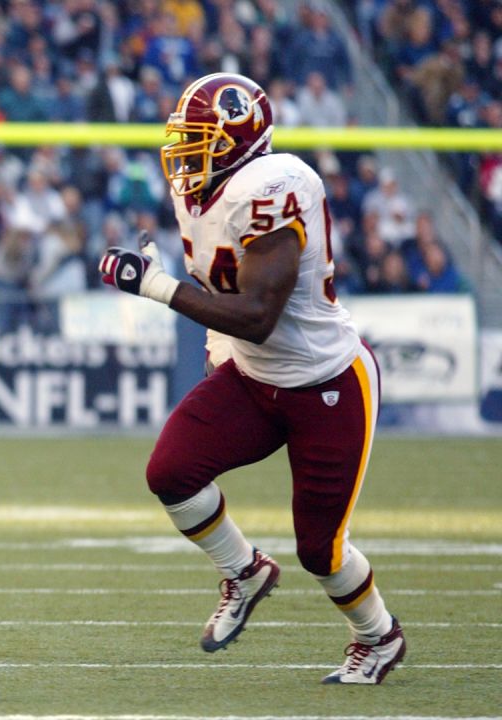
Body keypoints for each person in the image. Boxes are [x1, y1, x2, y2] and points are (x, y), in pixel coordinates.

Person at [97, 73, 405, 685]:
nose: (184, 155)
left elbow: (260, 315)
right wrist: (216, 348)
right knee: (172, 473)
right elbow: (220, 290)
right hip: (252, 377)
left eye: (199, 141)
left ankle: (379, 636)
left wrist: (157, 287)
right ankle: (245, 570)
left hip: (326, 384)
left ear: (238, 143)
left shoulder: (273, 188)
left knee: (322, 550)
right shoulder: (202, 192)